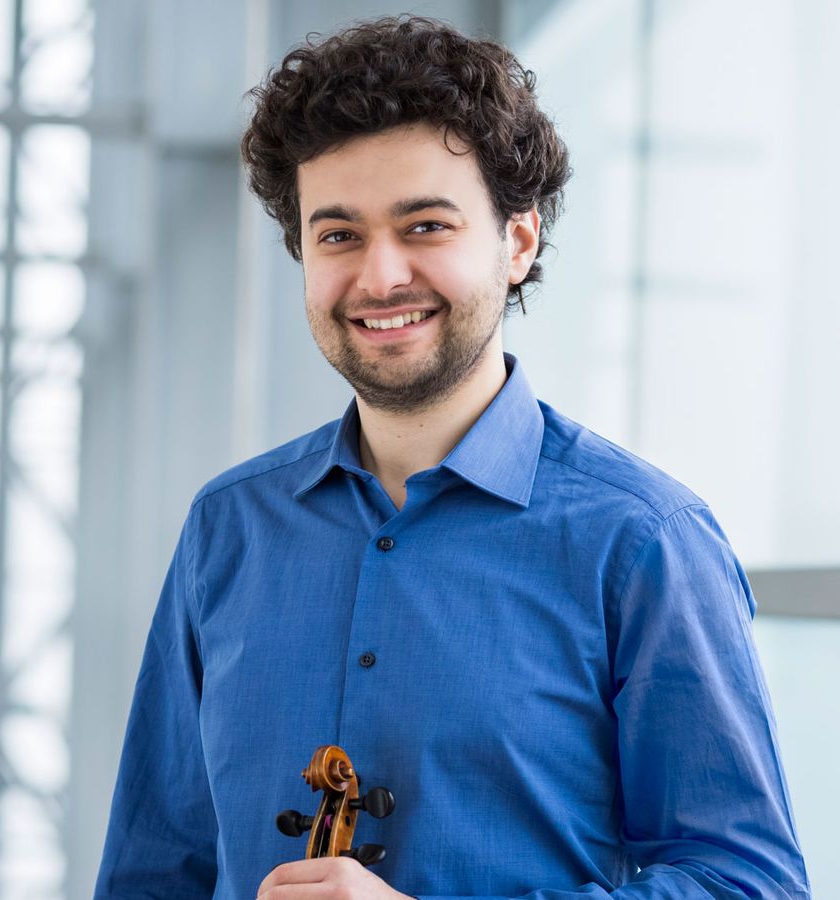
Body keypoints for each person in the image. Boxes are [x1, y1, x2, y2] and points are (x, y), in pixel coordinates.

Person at [94, 15, 810, 900]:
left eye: (426, 225)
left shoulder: (643, 542)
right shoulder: (228, 527)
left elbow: (749, 883)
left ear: (518, 242)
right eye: (338, 235)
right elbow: (150, 876)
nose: (380, 277)